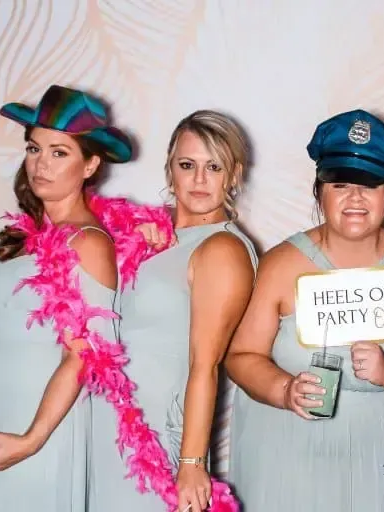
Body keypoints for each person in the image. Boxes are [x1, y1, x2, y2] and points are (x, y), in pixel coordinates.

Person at [0, 85, 166, 511]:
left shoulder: (90, 243)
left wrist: (30, 441)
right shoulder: (22, 238)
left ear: (90, 164)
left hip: (36, 424)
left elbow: (83, 354)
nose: (41, 165)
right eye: (35, 149)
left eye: (60, 153)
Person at [224, 109, 384, 511]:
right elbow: (241, 357)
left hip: (382, 470)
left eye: (370, 185)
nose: (355, 197)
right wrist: (283, 390)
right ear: (320, 192)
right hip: (288, 466)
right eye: (340, 184)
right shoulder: (282, 264)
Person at [88, 110, 257, 512]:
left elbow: (205, 365)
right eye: (187, 165)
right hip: (103, 426)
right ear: (170, 169)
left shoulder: (221, 249)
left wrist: (192, 464)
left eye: (213, 167)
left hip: (158, 440)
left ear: (233, 174)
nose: (199, 180)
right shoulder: (148, 236)